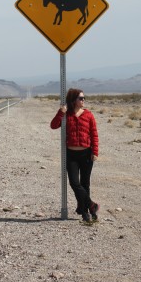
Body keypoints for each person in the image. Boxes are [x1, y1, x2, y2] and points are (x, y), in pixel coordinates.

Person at [50, 88, 100, 223]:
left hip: (86, 154)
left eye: (84, 98)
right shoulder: (66, 115)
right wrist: (61, 113)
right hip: (71, 154)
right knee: (74, 183)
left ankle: (84, 212)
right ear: (73, 100)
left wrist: (95, 152)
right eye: (81, 98)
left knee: (85, 183)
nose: (83, 100)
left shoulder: (89, 115)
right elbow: (53, 125)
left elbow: (94, 134)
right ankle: (91, 205)